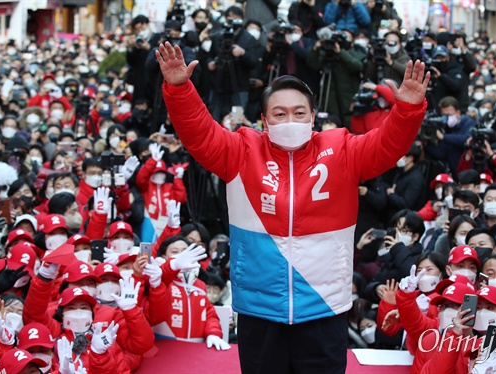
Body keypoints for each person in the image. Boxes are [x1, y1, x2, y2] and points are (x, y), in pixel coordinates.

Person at [157, 41, 429, 372]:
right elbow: (198, 133)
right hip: (260, 308)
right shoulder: (242, 150)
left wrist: (407, 109)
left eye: (299, 112)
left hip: (324, 306)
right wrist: (179, 89)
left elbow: (388, 145)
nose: (291, 120)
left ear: (313, 116)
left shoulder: (341, 149)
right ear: (264, 120)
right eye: (280, 113)